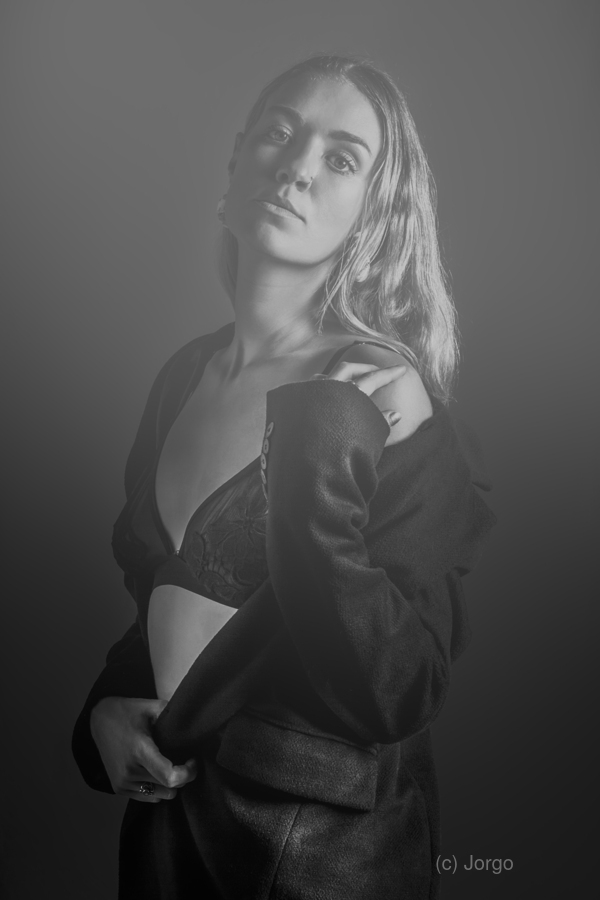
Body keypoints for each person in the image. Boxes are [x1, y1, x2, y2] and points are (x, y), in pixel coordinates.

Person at [72, 53, 495, 899]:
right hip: (166, 841)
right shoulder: (184, 376)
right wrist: (105, 716)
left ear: (376, 210)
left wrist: (321, 449)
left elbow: (398, 688)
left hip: (319, 859)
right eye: (279, 133)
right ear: (237, 160)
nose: (297, 167)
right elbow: (167, 596)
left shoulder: (384, 398)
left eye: (341, 158)